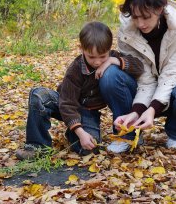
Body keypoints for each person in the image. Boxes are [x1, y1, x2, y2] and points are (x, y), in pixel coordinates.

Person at [99, 0, 176, 153]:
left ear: (159, 9)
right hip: (142, 92)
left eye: (146, 17)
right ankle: (127, 132)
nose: (141, 23)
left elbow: (174, 72)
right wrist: (137, 112)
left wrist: (152, 109)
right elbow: (143, 77)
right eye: (135, 17)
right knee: (110, 75)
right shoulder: (127, 32)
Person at [15, 21, 144, 160]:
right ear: (81, 48)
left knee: (90, 148)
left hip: (88, 112)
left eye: (102, 57)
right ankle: (36, 146)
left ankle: (73, 133)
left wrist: (112, 60)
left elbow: (139, 66)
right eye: (91, 57)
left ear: (109, 49)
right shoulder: (75, 70)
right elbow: (67, 104)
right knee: (38, 95)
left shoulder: (112, 57)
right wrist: (80, 132)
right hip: (66, 103)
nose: (97, 62)